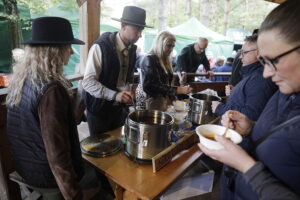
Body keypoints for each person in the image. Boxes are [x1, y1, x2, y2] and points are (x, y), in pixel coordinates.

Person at [199, 1, 300, 199]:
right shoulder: (287, 89)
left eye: (274, 60)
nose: (266, 73)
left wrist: (245, 166)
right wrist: (251, 127)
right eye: (263, 62)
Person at [6, 17, 92, 200]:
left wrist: (73, 114)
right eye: (67, 45)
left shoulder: (21, 80)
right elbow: (57, 156)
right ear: (53, 50)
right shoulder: (51, 90)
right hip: (46, 178)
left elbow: (35, 129)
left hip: (25, 167)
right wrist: (74, 195)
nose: (71, 50)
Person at [82, 6, 151, 135]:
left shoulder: (132, 50)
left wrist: (128, 91)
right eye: (137, 29)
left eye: (141, 30)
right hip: (99, 110)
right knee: (100, 149)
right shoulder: (100, 47)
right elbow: (88, 82)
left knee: (117, 144)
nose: (140, 35)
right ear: (123, 26)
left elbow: (127, 77)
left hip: (119, 110)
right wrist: (114, 95)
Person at [212, 34, 277, 121]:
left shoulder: (261, 78)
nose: (240, 56)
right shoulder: (252, 74)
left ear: (257, 53)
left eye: (244, 52)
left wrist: (220, 108)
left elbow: (252, 114)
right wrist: (236, 91)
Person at [135, 31, 192, 110]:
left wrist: (172, 96)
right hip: (148, 102)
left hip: (159, 101)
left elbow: (165, 83)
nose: (171, 49)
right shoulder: (149, 58)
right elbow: (151, 85)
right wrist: (179, 90)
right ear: (160, 44)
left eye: (173, 46)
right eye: (168, 46)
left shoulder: (165, 60)